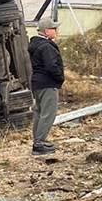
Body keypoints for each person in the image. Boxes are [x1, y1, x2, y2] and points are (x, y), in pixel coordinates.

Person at [29, 18, 64, 155]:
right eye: (54, 28)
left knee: (39, 112)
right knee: (48, 113)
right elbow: (52, 66)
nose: (56, 31)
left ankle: (38, 140)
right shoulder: (47, 46)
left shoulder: (35, 44)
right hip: (47, 83)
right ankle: (39, 143)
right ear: (47, 31)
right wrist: (60, 78)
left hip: (37, 82)